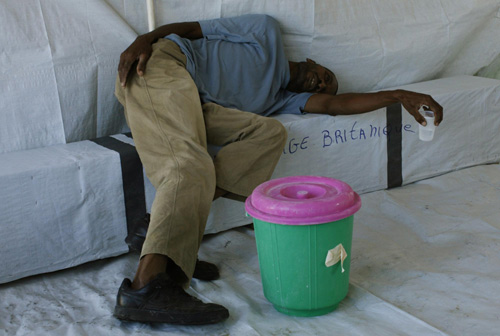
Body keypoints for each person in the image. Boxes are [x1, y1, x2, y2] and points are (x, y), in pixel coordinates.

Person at [113, 14, 443, 325]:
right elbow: (192, 29)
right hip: (162, 69)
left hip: (195, 105)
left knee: (270, 133)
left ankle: (161, 230)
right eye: (325, 77)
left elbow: (335, 105)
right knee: (190, 166)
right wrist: (145, 39)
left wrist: (398, 95)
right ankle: (144, 289)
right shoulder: (265, 33)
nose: (319, 84)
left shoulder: (278, 100)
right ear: (313, 62)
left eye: (321, 89)